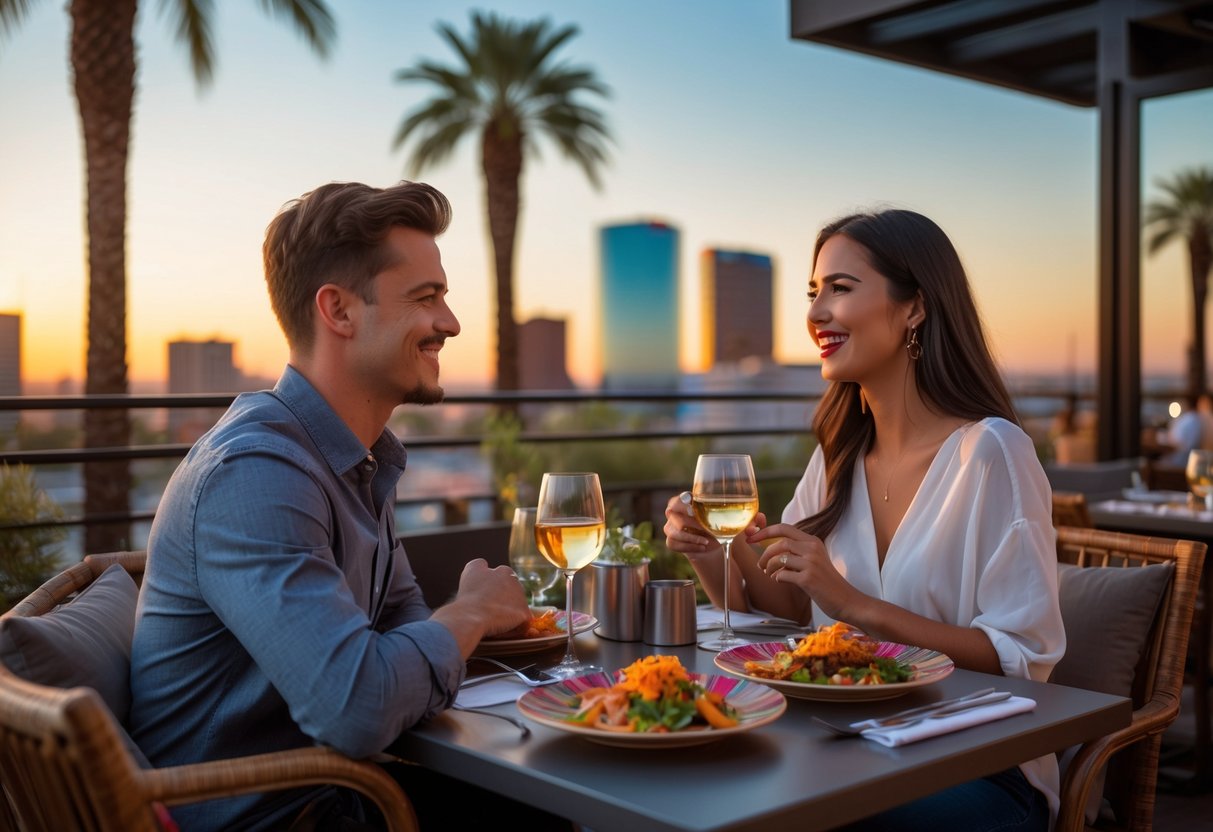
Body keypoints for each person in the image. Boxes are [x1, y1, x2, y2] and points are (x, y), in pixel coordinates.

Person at [129, 181, 565, 831]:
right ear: (337, 311)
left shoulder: (355, 459)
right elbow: (359, 707)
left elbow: (398, 622)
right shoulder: (255, 477)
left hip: (334, 792)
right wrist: (470, 613)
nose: (450, 323)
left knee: (550, 806)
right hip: (266, 817)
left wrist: (441, 632)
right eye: (426, 298)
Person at [665, 209, 1064, 832]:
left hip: (977, 766)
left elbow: (1021, 658)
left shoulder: (991, 453)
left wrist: (851, 602)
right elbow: (782, 613)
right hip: (850, 747)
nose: (816, 312)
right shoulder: (838, 454)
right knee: (696, 783)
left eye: (840, 289)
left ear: (915, 308)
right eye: (813, 292)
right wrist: (712, 547)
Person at [1162, 392, 1213, 466]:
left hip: (1180, 465)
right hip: (1192, 463)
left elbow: (1180, 445)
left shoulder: (1192, 420)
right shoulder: (1199, 419)